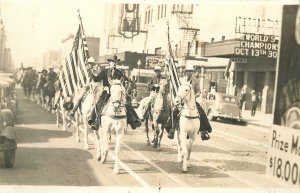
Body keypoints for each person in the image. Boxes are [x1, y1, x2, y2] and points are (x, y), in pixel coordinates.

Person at [70, 55, 141, 130]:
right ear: (109, 63)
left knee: (126, 103)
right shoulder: (104, 72)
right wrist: (91, 73)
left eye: (115, 62)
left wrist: (128, 83)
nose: (114, 63)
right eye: (112, 62)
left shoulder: (119, 72)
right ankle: (95, 121)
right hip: (107, 92)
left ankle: (134, 120)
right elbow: (96, 79)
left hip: (116, 92)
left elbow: (125, 80)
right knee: (98, 104)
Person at [165, 64, 212, 140]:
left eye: (190, 72)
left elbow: (199, 92)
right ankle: (172, 129)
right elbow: (179, 90)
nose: (188, 73)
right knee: (175, 110)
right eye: (187, 71)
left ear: (192, 72)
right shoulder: (182, 81)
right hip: (183, 101)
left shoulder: (195, 81)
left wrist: (195, 96)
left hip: (192, 102)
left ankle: (203, 131)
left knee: (201, 111)